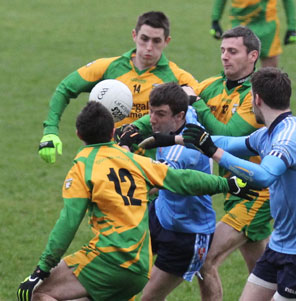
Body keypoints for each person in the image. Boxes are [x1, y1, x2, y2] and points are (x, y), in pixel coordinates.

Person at [17, 101, 257, 301]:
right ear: (113, 131)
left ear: (78, 134)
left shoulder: (82, 168)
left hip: (108, 258)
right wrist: (227, 184)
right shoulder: (134, 160)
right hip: (139, 268)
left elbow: (68, 223)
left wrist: (42, 269)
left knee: (40, 293)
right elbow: (183, 179)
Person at [147, 67, 296, 300]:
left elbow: (264, 176)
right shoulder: (267, 133)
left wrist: (213, 151)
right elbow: (229, 141)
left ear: (256, 99)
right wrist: (174, 138)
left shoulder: (290, 138)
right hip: (280, 245)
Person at [134, 26, 272, 301]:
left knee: (206, 259)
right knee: (263, 270)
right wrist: (134, 130)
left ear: (252, 55)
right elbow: (172, 107)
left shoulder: (257, 95)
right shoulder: (210, 86)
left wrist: (199, 106)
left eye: (232, 51)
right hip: (233, 186)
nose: (224, 57)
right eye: (222, 50)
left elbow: (231, 136)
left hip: (256, 191)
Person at [38, 11, 197, 164]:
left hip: (150, 166)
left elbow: (200, 112)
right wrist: (50, 130)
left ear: (167, 41)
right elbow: (65, 88)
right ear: (134, 35)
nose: (149, 47)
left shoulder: (179, 78)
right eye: (144, 39)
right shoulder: (109, 67)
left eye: (156, 41)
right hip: (106, 160)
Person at [136, 83, 217, 300]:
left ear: (178, 116)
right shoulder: (187, 113)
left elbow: (154, 181)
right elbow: (188, 93)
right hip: (160, 213)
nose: (152, 119)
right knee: (123, 269)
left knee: (149, 297)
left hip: (186, 234)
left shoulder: (181, 152)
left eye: (160, 114)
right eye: (151, 112)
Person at [210, 0, 296, 67]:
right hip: (239, 27)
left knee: (270, 73)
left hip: (267, 27)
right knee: (237, 71)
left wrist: (292, 27)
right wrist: (215, 20)